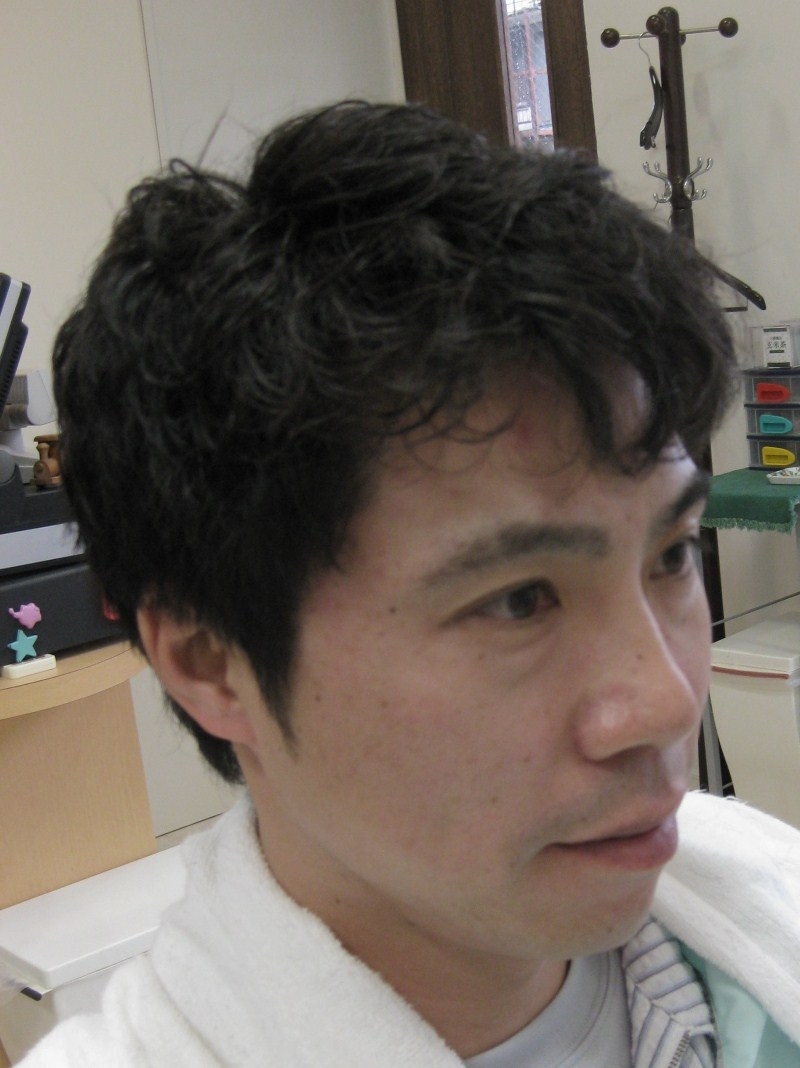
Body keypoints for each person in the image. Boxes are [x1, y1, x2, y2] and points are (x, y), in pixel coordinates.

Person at [21, 101, 800, 1066]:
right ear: (211, 662)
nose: (669, 702)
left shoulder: (764, 919)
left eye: (672, 555)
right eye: (520, 600)